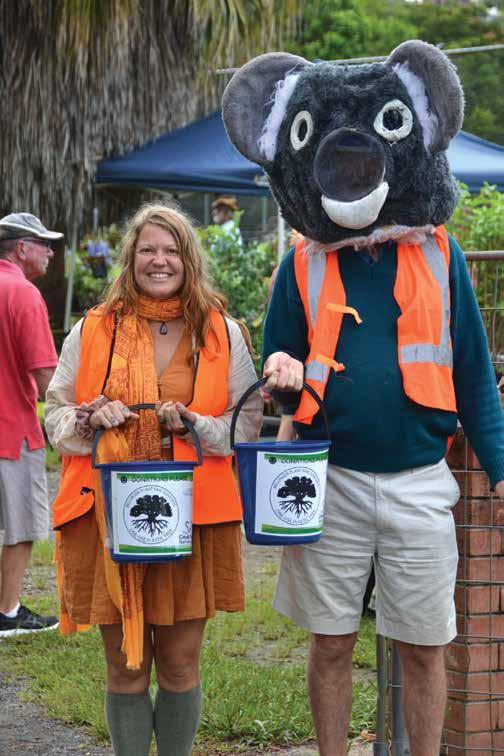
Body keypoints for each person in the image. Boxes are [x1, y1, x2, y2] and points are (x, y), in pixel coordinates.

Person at [222, 41, 504, 755]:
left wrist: (500, 467)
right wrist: (282, 374)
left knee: (426, 646)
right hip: (329, 478)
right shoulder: (300, 263)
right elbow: (279, 360)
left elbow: (473, 370)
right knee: (331, 643)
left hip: (420, 480)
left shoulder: (442, 255)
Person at [45, 202, 262, 756]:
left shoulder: (222, 331)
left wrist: (194, 424)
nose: (159, 260)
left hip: (194, 520)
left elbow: (245, 425)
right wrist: (89, 419)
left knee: (179, 662)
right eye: (148, 250)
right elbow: (55, 416)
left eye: (171, 250)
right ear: (131, 257)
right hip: (108, 520)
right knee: (124, 666)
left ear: (188, 260)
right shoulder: (94, 328)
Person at [0, 212, 62, 636]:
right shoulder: (23, 293)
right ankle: (7, 612)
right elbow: (45, 376)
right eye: (45, 244)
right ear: (22, 248)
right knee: (20, 526)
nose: (51, 252)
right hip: (12, 427)